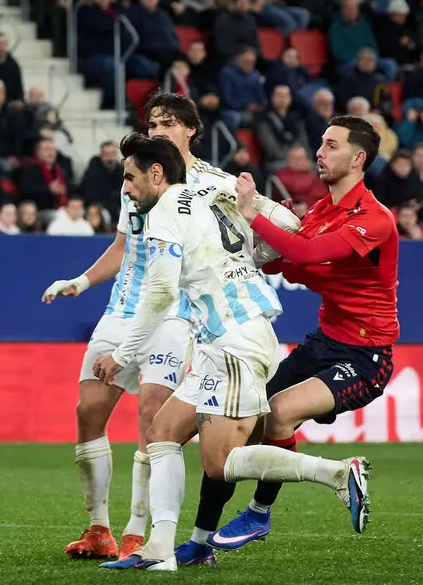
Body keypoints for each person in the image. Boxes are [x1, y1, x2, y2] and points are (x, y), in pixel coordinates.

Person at [43, 91, 293, 562]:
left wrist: (268, 250)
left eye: (167, 123)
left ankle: (140, 531)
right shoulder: (134, 177)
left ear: (191, 130)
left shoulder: (216, 183)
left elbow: (252, 237)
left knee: (153, 416)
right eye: (152, 123)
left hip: (176, 310)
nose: (157, 131)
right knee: (88, 409)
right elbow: (122, 247)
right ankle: (99, 528)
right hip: (123, 306)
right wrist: (81, 281)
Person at [194, 115, 397, 556]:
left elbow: (308, 252)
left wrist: (255, 215)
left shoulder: (375, 220)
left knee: (280, 412)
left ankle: (260, 514)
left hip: (366, 355)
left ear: (358, 158)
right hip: (324, 342)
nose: (319, 152)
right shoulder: (323, 210)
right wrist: (252, 237)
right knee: (252, 418)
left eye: (331, 145)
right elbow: (289, 263)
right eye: (320, 143)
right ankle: (200, 540)